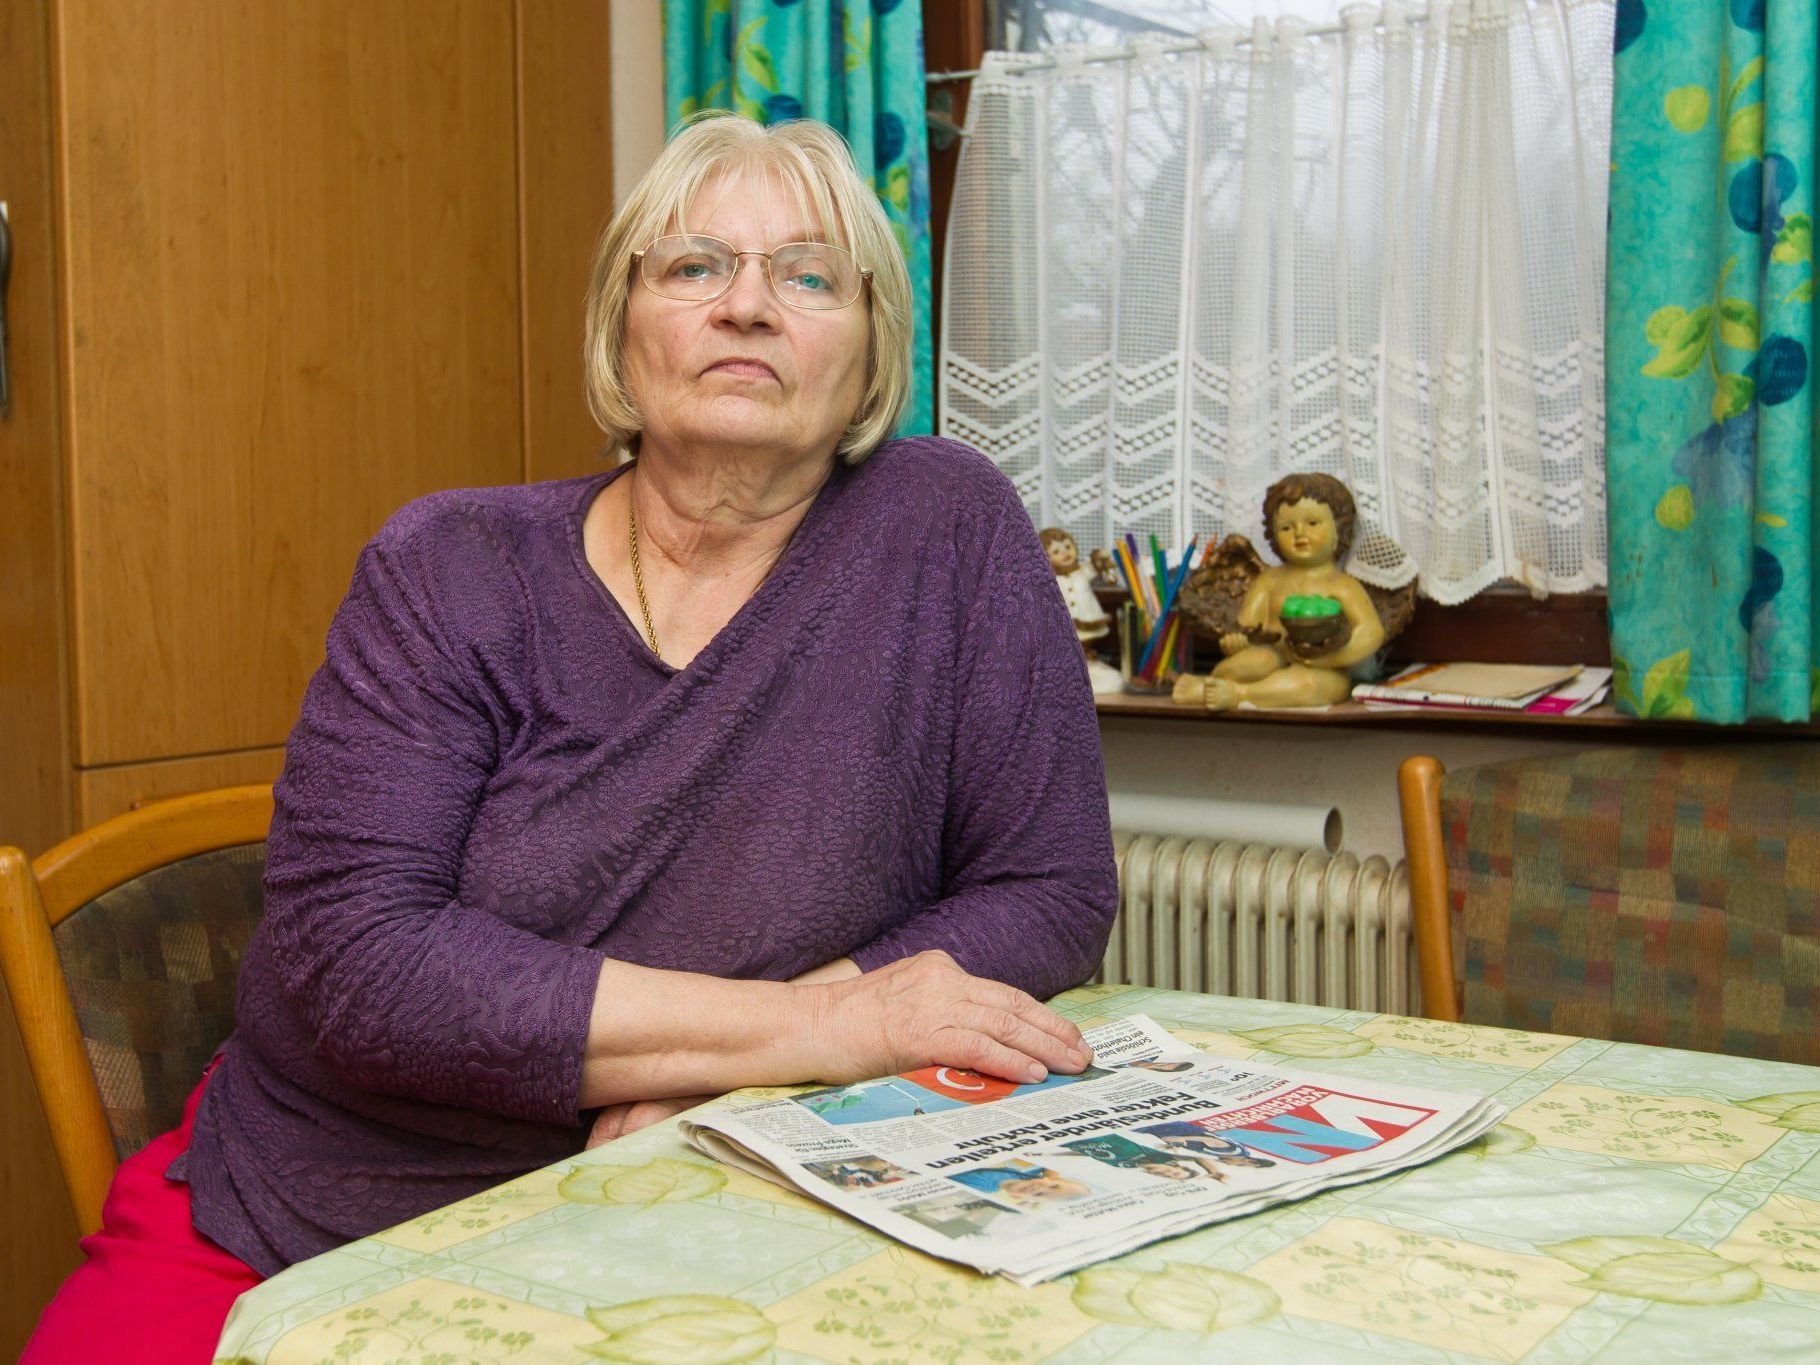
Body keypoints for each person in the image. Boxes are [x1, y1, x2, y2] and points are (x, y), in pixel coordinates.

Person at [25, 113, 1117, 1361]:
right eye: (694, 266)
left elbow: (1049, 886)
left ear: (869, 359)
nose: (748, 306)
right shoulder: (449, 566)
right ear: (621, 330)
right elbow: (360, 966)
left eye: (809, 277)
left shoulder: (947, 528)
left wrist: (722, 1071)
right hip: (338, 1199)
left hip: (721, 1195)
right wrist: (823, 1030)